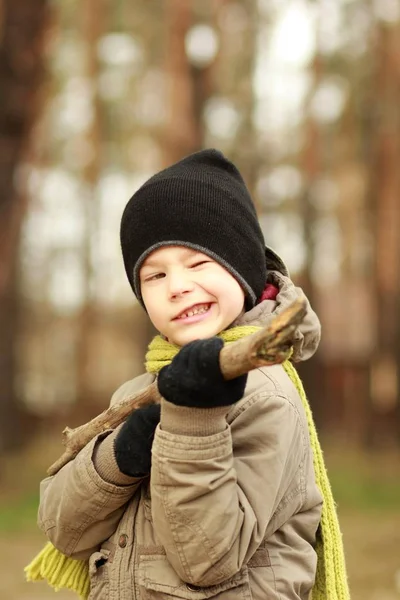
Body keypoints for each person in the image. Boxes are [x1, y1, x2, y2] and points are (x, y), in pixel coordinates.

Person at [26, 149, 349, 600]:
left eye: (198, 263)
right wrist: (125, 451)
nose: (177, 286)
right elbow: (63, 530)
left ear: (243, 267)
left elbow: (207, 559)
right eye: (154, 276)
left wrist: (192, 418)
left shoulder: (264, 394)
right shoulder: (140, 391)